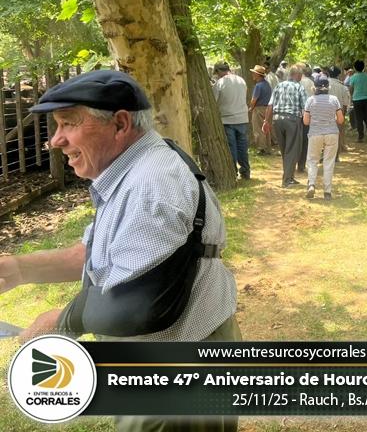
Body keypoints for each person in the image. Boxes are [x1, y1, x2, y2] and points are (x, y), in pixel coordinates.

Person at [0, 69, 240, 432]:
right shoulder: (137, 169)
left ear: (120, 123)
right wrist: (20, 269)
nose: (55, 140)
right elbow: (102, 252)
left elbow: (136, 301)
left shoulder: (150, 186)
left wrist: (60, 322)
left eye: (68, 123)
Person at [263, 64, 308, 187]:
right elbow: (305, 107)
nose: (301, 77)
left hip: (277, 120)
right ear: (297, 75)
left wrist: (266, 121)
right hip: (292, 120)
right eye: (301, 75)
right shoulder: (299, 87)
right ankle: (287, 180)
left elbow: (270, 105)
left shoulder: (279, 86)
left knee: (285, 150)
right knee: (292, 150)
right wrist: (308, 122)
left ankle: (289, 176)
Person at [303, 77, 344, 200]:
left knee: (312, 160)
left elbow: (306, 121)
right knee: (329, 162)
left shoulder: (310, 100)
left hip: (315, 133)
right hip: (332, 133)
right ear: (328, 87)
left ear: (314, 88)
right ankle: (327, 191)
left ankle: (311, 184)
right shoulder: (334, 100)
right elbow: (341, 120)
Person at [212, 61, 250, 180]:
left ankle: (233, 172)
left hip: (227, 119)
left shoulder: (219, 83)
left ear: (218, 71)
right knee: (242, 147)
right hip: (242, 118)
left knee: (231, 147)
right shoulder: (241, 80)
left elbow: (213, 101)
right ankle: (245, 171)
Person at [327, 66, 352, 157]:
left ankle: (326, 154)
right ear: (338, 75)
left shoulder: (324, 85)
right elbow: (345, 103)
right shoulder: (343, 87)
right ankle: (336, 155)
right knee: (337, 133)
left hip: (325, 112)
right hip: (338, 113)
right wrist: (343, 116)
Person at [249, 64, 272, 155]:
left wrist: (251, 107)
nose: (252, 75)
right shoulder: (267, 84)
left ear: (258, 75)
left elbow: (254, 99)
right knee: (266, 129)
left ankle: (261, 148)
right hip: (267, 109)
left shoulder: (258, 86)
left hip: (259, 108)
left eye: (254, 73)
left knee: (258, 129)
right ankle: (267, 147)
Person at [347, 60, 367, 142]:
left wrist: (351, 96)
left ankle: (360, 137)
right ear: (363, 67)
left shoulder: (353, 77)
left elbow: (351, 88)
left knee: (359, 118)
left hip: (357, 99)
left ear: (354, 68)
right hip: (366, 98)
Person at [297, 64, 316, 173]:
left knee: (296, 139)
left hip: (297, 114)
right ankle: (301, 164)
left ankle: (295, 163)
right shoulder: (311, 83)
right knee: (305, 140)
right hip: (308, 114)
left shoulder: (297, 82)